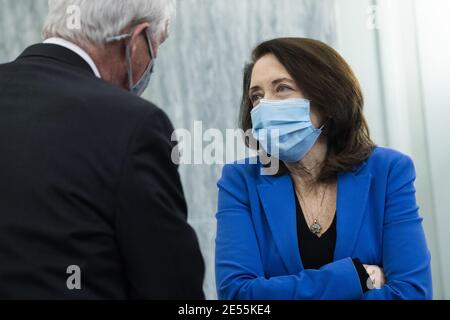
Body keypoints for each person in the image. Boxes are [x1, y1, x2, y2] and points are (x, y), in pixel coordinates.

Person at [0, 0, 204, 299]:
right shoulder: (134, 125)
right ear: (137, 40)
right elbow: (172, 289)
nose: (153, 60)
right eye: (156, 46)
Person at [215, 38, 432, 300]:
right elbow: (238, 296)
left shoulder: (389, 171)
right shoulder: (240, 181)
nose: (264, 106)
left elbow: (412, 293)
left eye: (282, 88)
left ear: (327, 99)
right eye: (256, 97)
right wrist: (355, 277)